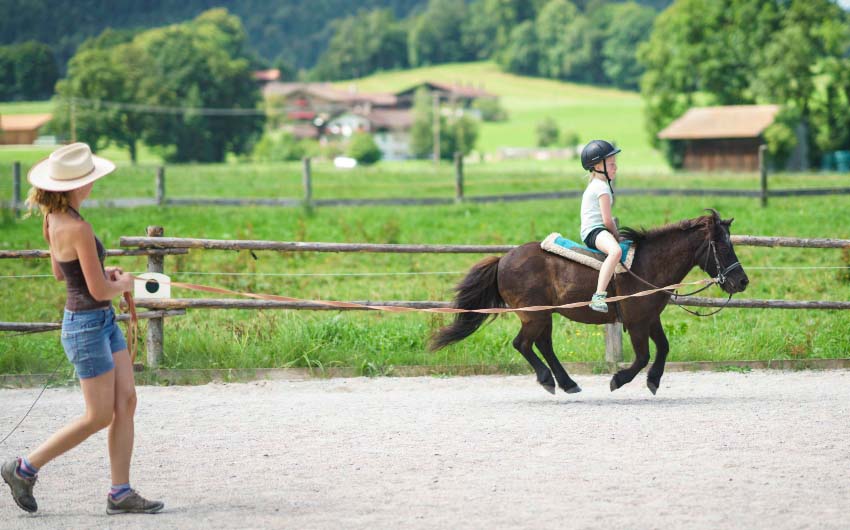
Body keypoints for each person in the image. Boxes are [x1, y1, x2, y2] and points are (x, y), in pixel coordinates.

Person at [2, 143, 163, 515]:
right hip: (88, 326)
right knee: (99, 415)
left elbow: (62, 272)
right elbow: (98, 290)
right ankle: (23, 468)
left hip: (97, 322)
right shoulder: (79, 225)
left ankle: (120, 493)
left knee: (127, 401)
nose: (93, 185)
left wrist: (100, 272)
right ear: (79, 185)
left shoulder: (53, 219)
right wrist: (123, 284)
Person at [579, 140, 623, 313]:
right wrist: (616, 234)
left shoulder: (597, 185)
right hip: (595, 231)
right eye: (612, 164)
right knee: (616, 251)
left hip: (595, 230)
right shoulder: (602, 188)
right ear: (598, 166)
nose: (615, 168)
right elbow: (607, 220)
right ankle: (598, 296)